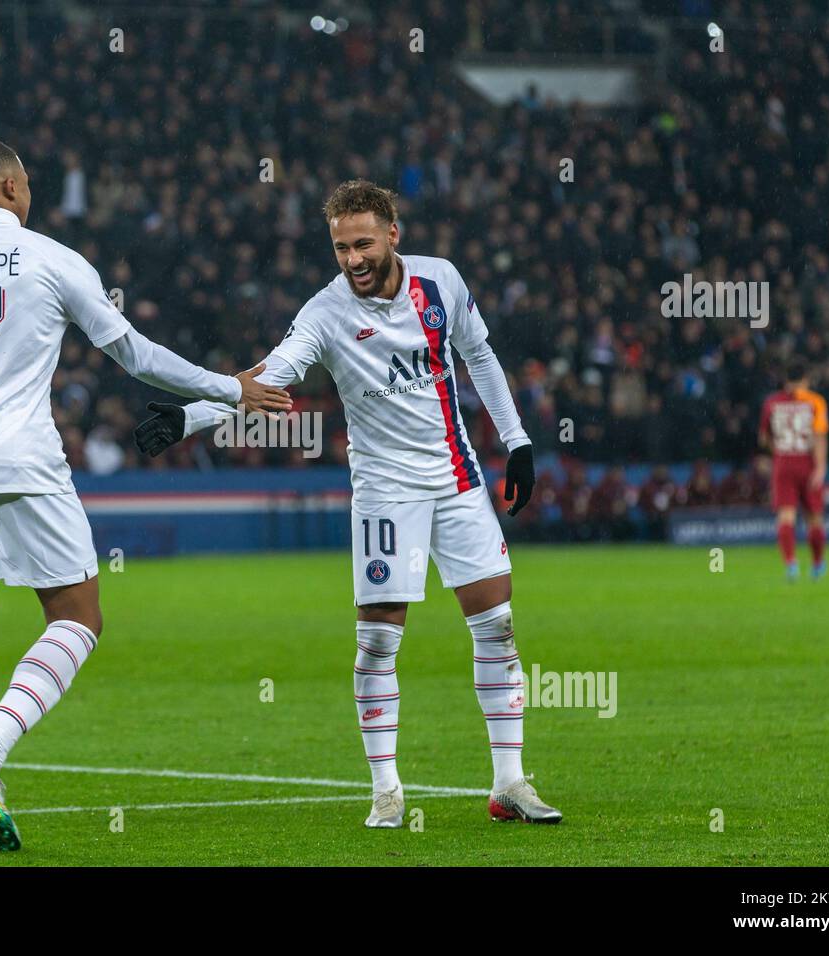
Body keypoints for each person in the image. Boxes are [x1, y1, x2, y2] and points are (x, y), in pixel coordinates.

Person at [0, 137, 291, 853]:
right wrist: (228, 387)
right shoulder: (54, 260)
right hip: (25, 461)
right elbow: (133, 353)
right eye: (26, 186)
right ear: (10, 190)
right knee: (78, 617)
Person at [135, 180, 560, 826]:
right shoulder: (326, 313)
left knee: (497, 626)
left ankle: (509, 784)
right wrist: (191, 417)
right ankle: (386, 790)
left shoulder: (440, 282)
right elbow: (269, 378)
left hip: (457, 478)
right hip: (386, 494)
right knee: (378, 643)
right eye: (340, 247)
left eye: (363, 243)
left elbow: (480, 354)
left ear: (394, 234)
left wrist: (518, 439)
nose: (353, 258)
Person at [758, 360, 829, 580]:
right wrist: (820, 467)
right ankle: (817, 565)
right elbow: (819, 435)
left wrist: (778, 451)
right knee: (814, 518)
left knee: (785, 517)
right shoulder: (815, 401)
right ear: (806, 379)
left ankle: (791, 563)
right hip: (806, 462)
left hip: (783, 463)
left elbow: (763, 438)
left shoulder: (771, 402)